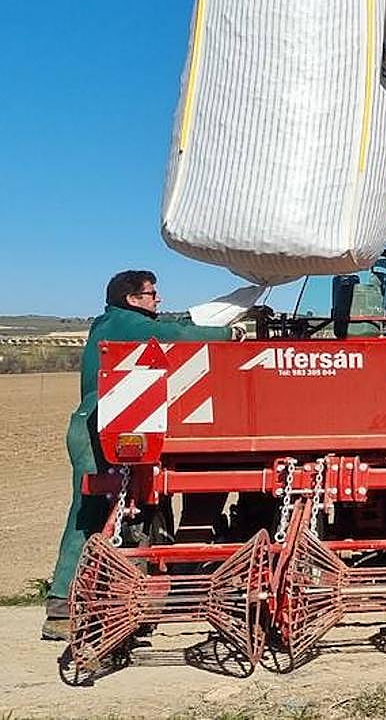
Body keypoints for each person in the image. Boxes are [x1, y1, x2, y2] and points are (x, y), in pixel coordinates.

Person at [42, 270, 241, 641]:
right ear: (132, 299)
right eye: (151, 294)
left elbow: (173, 321)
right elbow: (177, 335)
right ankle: (61, 604)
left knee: (114, 510)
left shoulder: (116, 321)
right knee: (92, 511)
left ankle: (103, 594)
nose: (158, 299)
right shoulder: (123, 323)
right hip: (98, 429)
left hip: (110, 425)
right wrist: (233, 334)